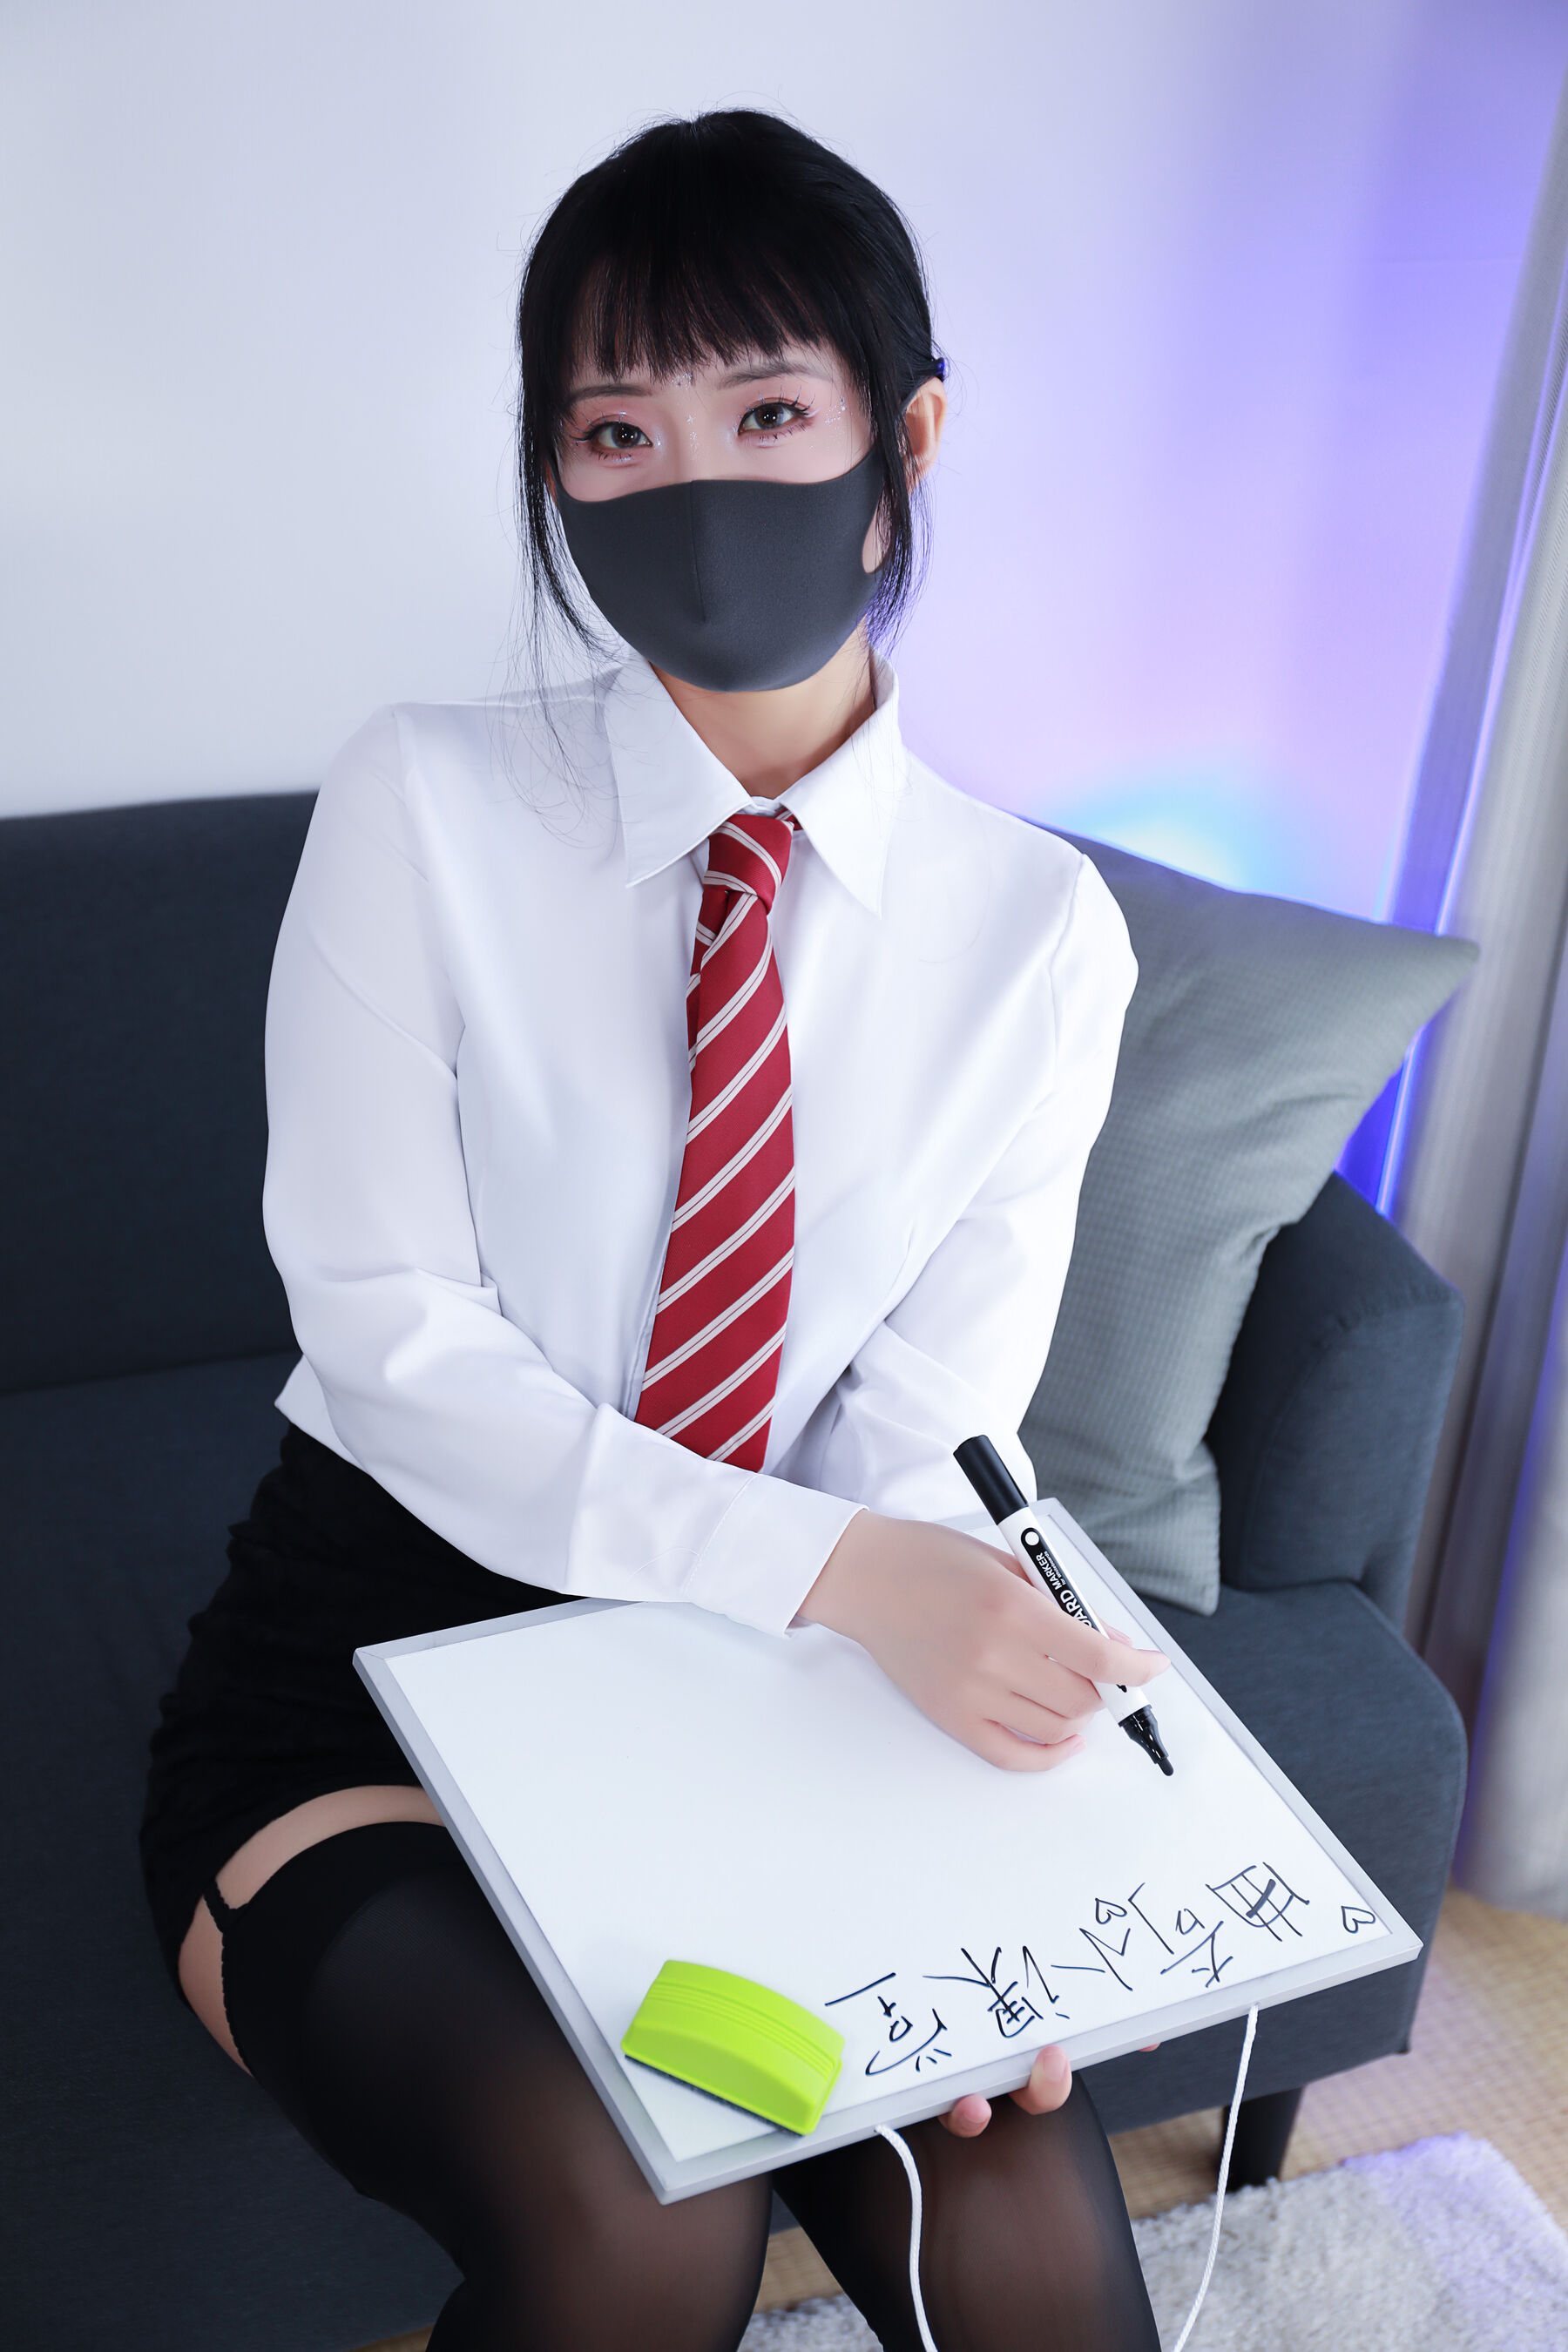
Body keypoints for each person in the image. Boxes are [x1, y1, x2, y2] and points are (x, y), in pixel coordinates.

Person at [142, 108, 1168, 2352]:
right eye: (616, 431)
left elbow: (928, 1428)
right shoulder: (421, 804)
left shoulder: (1040, 934)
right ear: (554, 473)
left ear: (905, 443)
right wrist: (847, 1577)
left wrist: (944, 1837)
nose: (693, 486)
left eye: (769, 411)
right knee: (643, 2212)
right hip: (377, 1679)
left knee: (1021, 2246)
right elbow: (394, 1338)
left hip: (780, 1716)